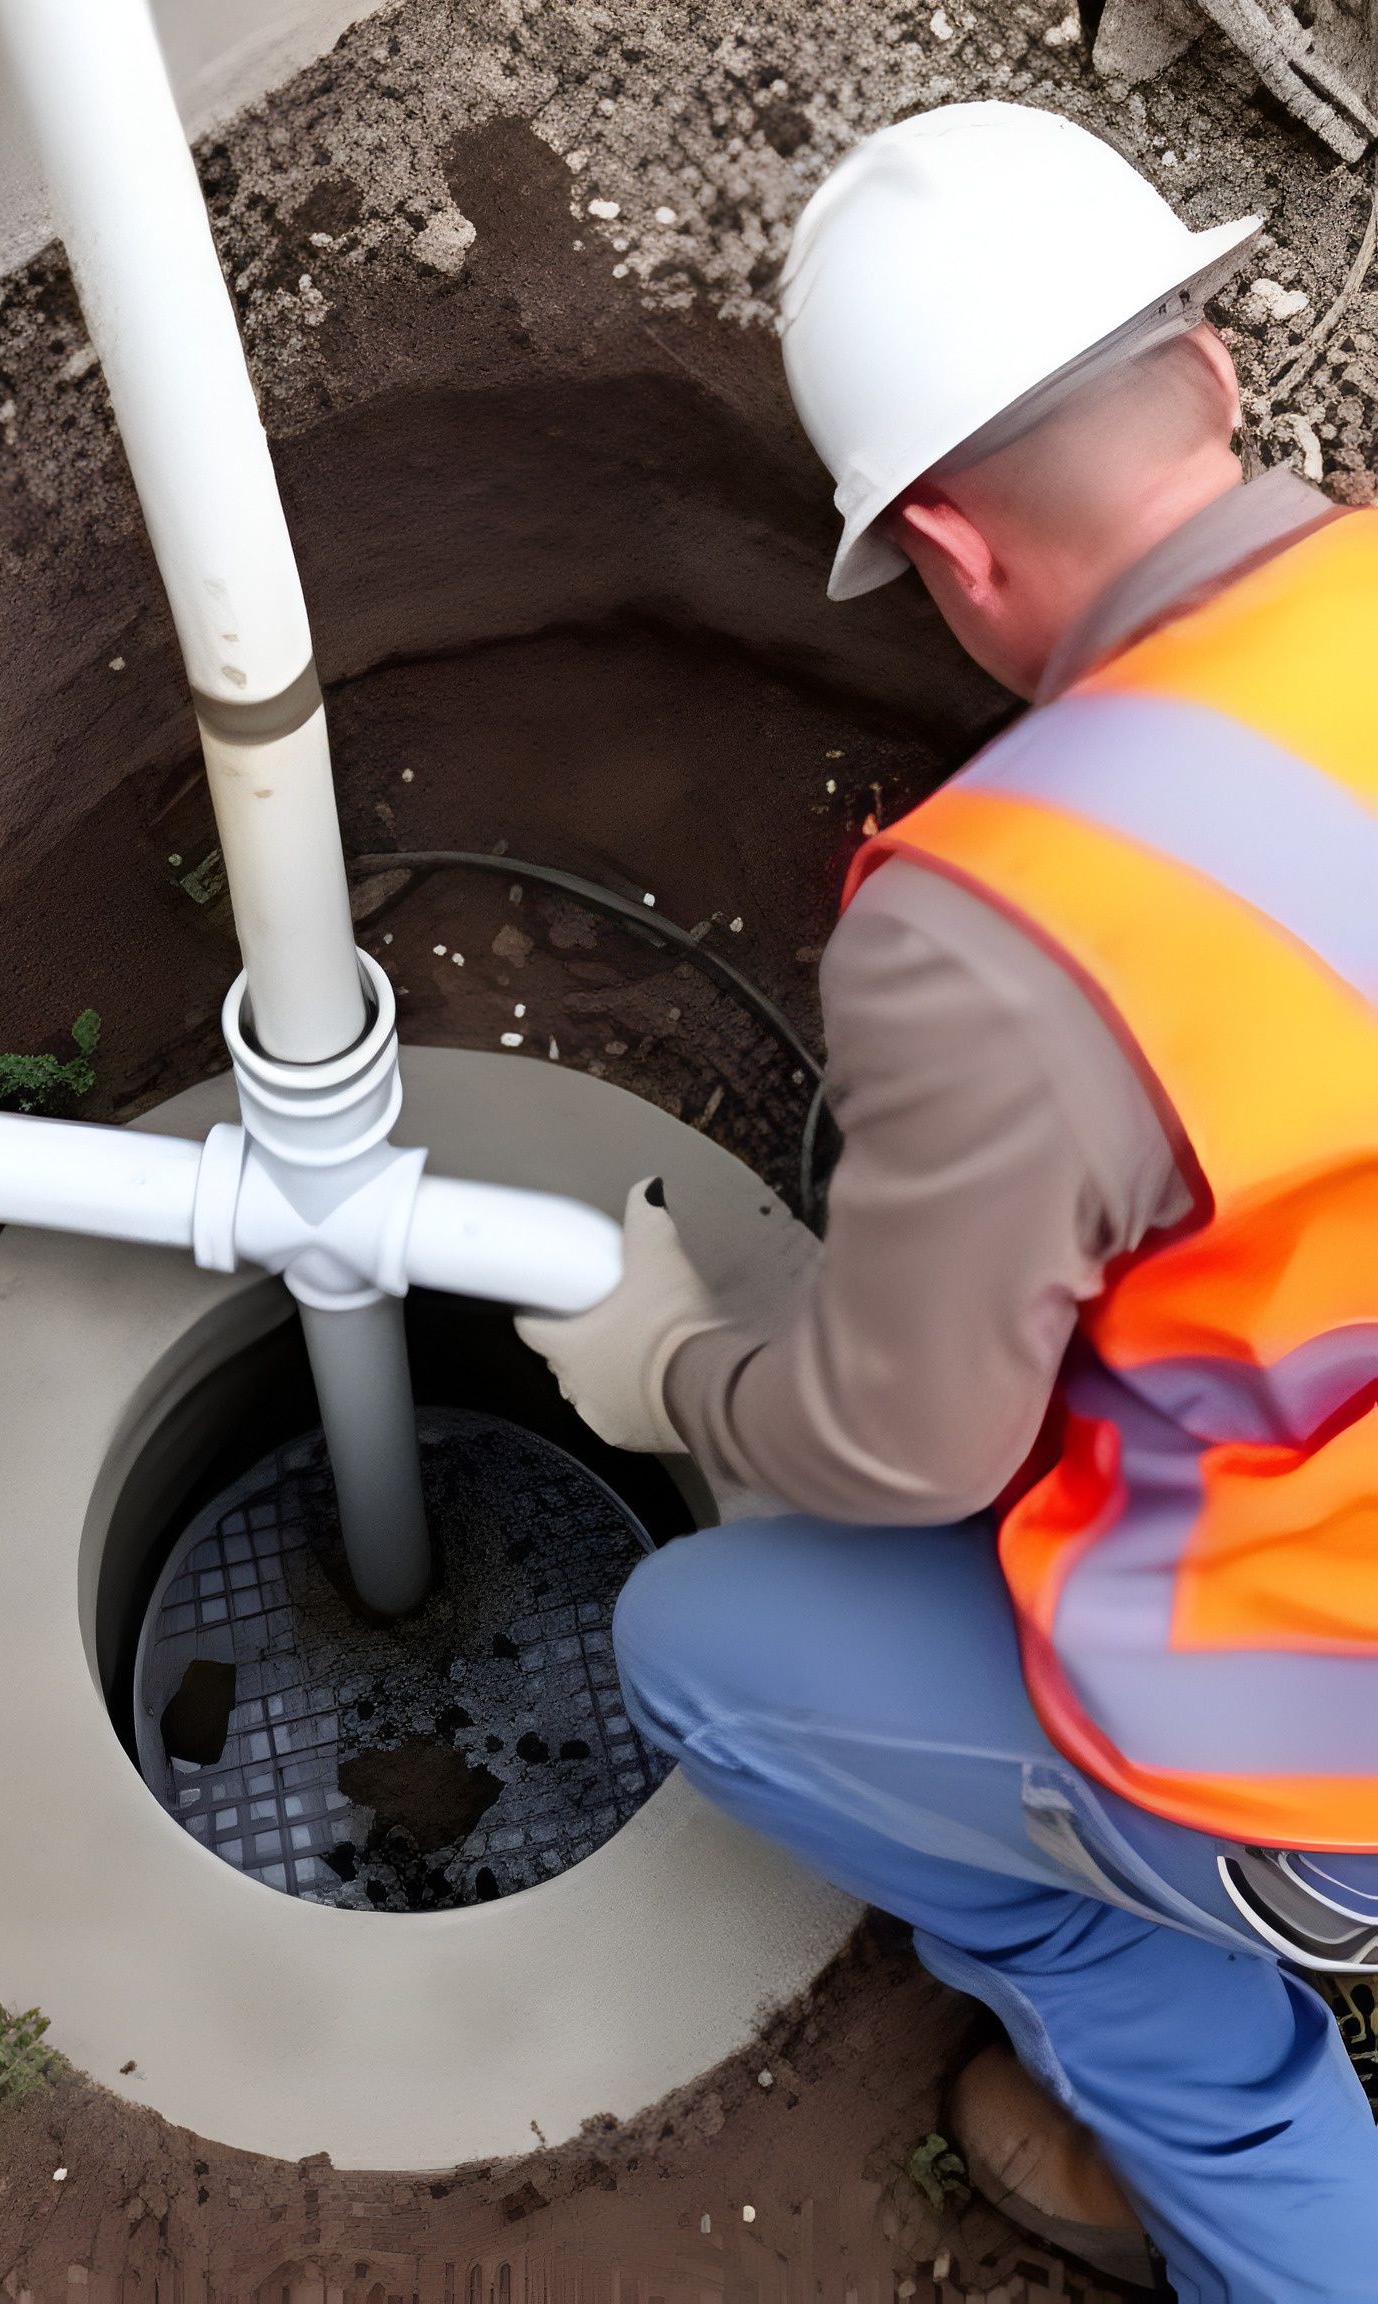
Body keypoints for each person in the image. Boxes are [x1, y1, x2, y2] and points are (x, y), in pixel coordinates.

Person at [517, 101, 1378, 2303]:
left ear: (952, 554)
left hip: (1319, 1726)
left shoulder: (1006, 934)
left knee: (697, 1648)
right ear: (1211, 375)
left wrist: (678, 1373)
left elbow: (913, 1449)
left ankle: (1222, 2135)